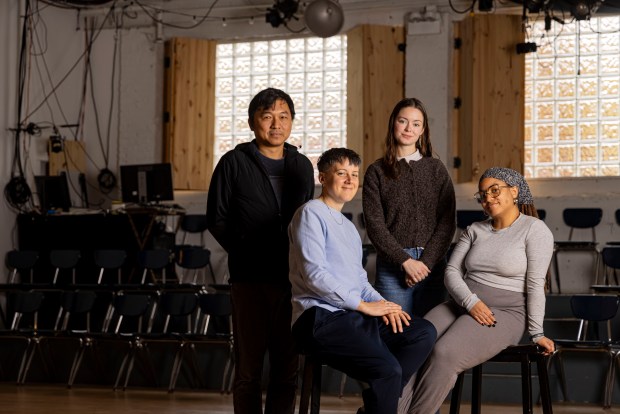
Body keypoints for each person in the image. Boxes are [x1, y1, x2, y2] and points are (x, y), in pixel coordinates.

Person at [289, 148, 437, 414]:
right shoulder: (310, 213)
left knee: (422, 332)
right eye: (341, 173)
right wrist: (363, 306)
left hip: (350, 315)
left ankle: (376, 400)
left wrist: (384, 304)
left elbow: (359, 279)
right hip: (318, 317)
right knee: (387, 370)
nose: (349, 180)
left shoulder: (349, 228)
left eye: (354, 174)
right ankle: (382, 392)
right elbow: (314, 275)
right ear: (323, 178)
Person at [401, 167, 555, 414]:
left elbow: (536, 284)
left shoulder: (534, 230)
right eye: (482, 194)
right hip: (462, 302)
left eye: (495, 190)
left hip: (506, 311)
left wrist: (537, 333)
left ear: (514, 191)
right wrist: (470, 302)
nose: (488, 198)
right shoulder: (474, 230)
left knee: (445, 353)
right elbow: (451, 272)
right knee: (414, 343)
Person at [206, 87, 315, 414]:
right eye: (267, 117)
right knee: (248, 370)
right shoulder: (234, 162)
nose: (276, 124)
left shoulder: (302, 166)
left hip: (291, 281)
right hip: (249, 280)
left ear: (292, 122)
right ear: (253, 122)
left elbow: (308, 219)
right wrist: (246, 250)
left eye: (284, 117)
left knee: (287, 369)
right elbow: (217, 218)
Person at [363, 97, 456, 317]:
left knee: (431, 334)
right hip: (392, 268)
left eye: (416, 124)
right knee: (395, 334)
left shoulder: (436, 169)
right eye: (403, 121)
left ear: (423, 130)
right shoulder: (376, 171)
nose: (408, 128)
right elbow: (375, 224)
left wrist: (424, 264)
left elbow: (446, 221)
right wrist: (404, 261)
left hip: (432, 266)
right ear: (393, 123)